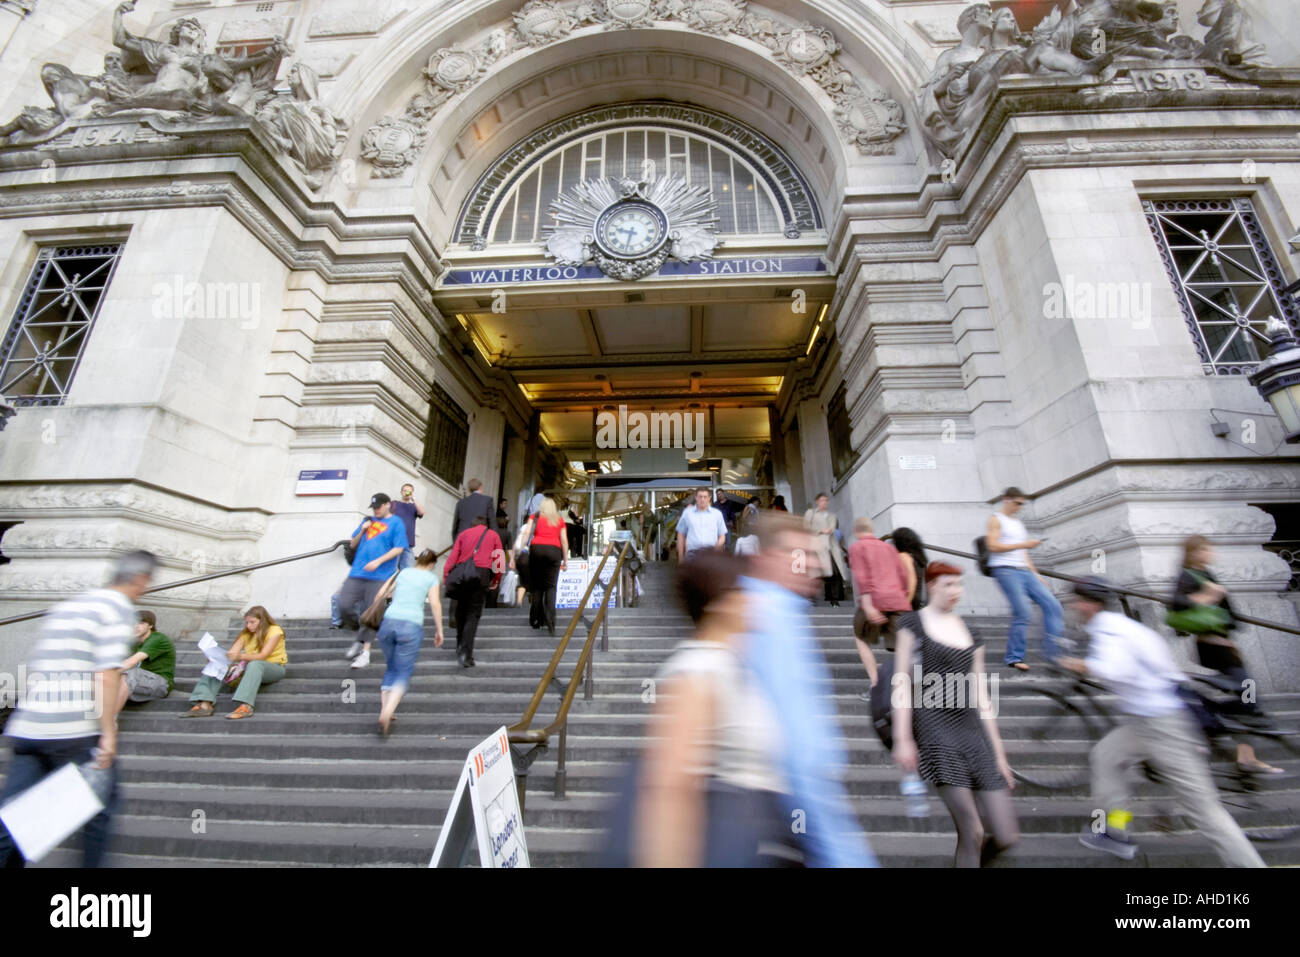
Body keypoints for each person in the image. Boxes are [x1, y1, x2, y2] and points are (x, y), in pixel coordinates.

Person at [608, 551, 803, 866]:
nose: (756, 599)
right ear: (718, 603)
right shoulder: (698, 670)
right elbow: (670, 790)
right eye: (743, 590)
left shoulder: (733, 663)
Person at [1058, 578, 1265, 867]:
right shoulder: (1125, 626)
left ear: (1090, 604)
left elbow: (1116, 669)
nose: (1073, 606)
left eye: (1076, 600)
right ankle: (1116, 830)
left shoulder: (1110, 630)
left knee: (1204, 809)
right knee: (1105, 757)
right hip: (1146, 721)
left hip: (1163, 724)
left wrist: (1077, 664)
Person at [0, 550, 155, 868]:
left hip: (30, 725)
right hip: (73, 729)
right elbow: (106, 673)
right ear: (139, 579)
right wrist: (108, 733)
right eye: (147, 582)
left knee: (13, 817)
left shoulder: (70, 605)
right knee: (99, 809)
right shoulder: (115, 609)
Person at [738, 512, 876, 867]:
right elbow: (794, 738)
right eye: (799, 555)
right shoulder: (770, 614)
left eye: (813, 555)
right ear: (766, 558)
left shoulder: (779, 610)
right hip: (793, 795)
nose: (812, 564)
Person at [892, 562, 1019, 868]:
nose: (956, 592)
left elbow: (981, 693)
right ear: (931, 585)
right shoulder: (912, 624)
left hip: (972, 728)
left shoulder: (971, 631)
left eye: (959, 585)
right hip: (935, 728)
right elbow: (901, 682)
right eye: (948, 584)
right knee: (973, 830)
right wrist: (902, 738)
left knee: (1006, 834)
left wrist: (1000, 754)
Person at [1170, 534, 1282, 775]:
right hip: (1211, 646)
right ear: (1195, 552)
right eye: (1206, 550)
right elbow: (1176, 604)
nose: (1210, 553)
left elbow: (1226, 611)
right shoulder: (1188, 575)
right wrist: (1207, 595)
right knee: (1248, 695)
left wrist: (1230, 634)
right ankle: (1214, 714)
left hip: (1223, 644)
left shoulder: (1207, 574)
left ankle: (1245, 755)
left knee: (1246, 695)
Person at [986, 486, 1063, 670]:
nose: (1019, 507)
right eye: (1017, 503)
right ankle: (1014, 657)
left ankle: (1055, 655)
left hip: (1024, 570)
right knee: (1023, 612)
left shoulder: (1018, 524)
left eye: (1022, 504)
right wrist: (1024, 544)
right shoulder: (996, 519)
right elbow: (993, 546)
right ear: (1006, 499)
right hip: (1005, 570)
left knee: (1053, 606)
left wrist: (1035, 573)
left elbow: (1023, 553)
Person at [372, 549, 444, 733]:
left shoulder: (402, 573)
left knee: (391, 667)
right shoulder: (431, 578)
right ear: (431, 564)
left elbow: (381, 594)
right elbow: (435, 604)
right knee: (403, 671)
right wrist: (439, 630)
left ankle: (384, 708)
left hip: (388, 623)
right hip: (410, 626)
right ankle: (387, 712)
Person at [180, 606, 287, 720]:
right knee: (216, 664)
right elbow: (231, 654)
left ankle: (246, 706)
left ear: (263, 620)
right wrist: (215, 656)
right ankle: (204, 704)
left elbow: (263, 655)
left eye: (252, 622)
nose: (248, 625)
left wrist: (240, 656)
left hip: (274, 667)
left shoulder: (275, 630)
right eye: (247, 622)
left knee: (255, 663)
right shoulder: (246, 634)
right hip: (249, 668)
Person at [339, 493, 407, 669]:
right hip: (357, 573)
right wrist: (363, 530)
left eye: (378, 507)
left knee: (371, 614)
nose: (376, 510)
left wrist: (378, 561)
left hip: (380, 576)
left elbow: (399, 548)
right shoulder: (367, 521)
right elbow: (352, 544)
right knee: (343, 605)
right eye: (374, 507)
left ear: (388, 505)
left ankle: (365, 654)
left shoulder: (396, 523)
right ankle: (360, 635)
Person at [847, 516, 911, 685]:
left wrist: (868, 607)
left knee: (861, 637)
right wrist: (902, 596)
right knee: (900, 646)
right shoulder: (889, 548)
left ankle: (876, 684)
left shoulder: (857, 547)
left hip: (875, 600)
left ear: (856, 531)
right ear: (872, 530)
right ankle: (902, 686)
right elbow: (903, 575)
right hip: (898, 600)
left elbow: (862, 577)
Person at [444, 516, 503, 666]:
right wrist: (496, 579)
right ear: (486, 524)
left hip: (463, 574)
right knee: (473, 613)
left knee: (461, 611)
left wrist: (447, 576)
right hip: (482, 574)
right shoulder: (493, 535)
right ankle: (466, 653)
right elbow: (499, 559)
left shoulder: (463, 534)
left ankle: (459, 645)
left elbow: (452, 558)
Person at [516, 497, 568, 635]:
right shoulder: (559, 520)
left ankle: (535, 620)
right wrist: (566, 560)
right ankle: (550, 619)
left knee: (537, 586)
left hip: (537, 550)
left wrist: (521, 549)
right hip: (554, 552)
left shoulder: (535, 516)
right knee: (551, 587)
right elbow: (564, 541)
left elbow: (527, 533)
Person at [117, 609, 174, 711]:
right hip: (135, 683)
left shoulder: (158, 639)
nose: (136, 626)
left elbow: (131, 662)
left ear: (150, 626)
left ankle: (111, 718)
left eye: (141, 623)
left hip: (161, 684)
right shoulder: (133, 642)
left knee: (129, 672)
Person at [803, 493, 847, 606]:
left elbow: (832, 528)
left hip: (831, 547)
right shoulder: (811, 513)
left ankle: (835, 600)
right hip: (816, 546)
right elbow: (805, 528)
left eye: (826, 500)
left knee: (834, 573)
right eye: (822, 500)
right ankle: (811, 597)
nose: (825, 503)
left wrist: (828, 530)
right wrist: (820, 531)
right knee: (815, 572)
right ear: (817, 501)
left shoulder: (831, 515)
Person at [676, 487, 727, 562]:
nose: (702, 499)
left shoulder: (717, 514)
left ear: (709, 498)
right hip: (692, 556)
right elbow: (680, 535)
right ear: (696, 498)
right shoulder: (687, 513)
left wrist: (716, 549)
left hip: (711, 556)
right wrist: (681, 557)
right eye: (700, 497)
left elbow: (722, 535)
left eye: (705, 497)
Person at [890, 527, 929, 611]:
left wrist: (905, 604)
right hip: (923, 599)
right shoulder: (920, 557)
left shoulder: (904, 556)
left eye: (893, 541)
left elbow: (912, 581)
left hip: (912, 600)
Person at [389, 483, 425, 571]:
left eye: (409, 491)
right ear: (401, 492)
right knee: (390, 570)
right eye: (404, 490)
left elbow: (422, 512)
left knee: (408, 572)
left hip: (407, 544)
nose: (406, 493)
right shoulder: (394, 504)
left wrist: (414, 499)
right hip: (394, 542)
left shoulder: (413, 507)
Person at [451, 478, 494, 545]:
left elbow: (455, 527)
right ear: (480, 487)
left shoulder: (460, 503)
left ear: (469, 489)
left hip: (462, 541)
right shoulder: (487, 500)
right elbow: (493, 524)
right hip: (479, 541)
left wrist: (456, 544)